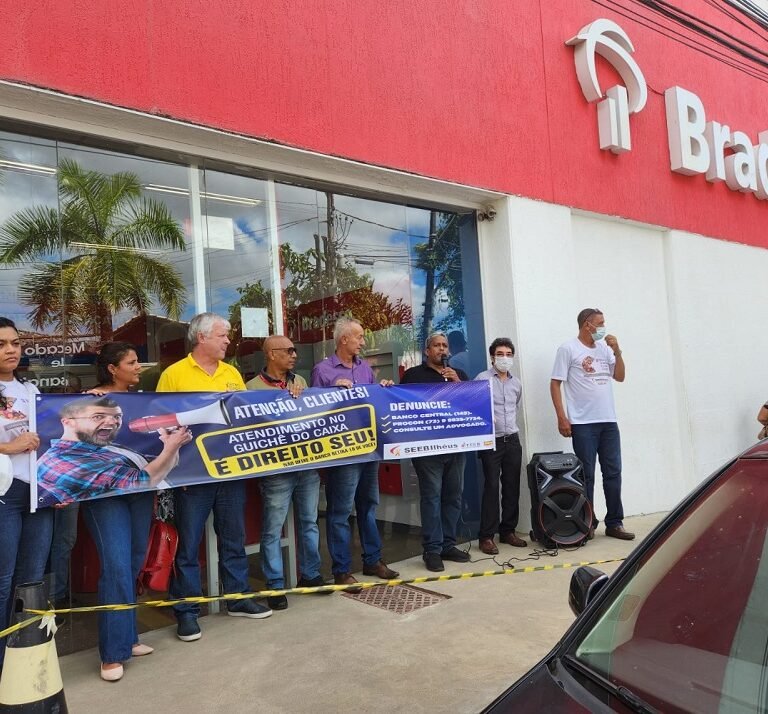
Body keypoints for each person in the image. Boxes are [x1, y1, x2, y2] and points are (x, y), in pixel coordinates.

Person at [157, 312, 272, 642]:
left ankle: (238, 597)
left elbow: (245, 416)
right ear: (202, 337)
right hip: (191, 477)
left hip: (230, 470)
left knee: (233, 538)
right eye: (223, 335)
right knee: (188, 545)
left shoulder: (232, 373)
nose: (228, 341)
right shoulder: (174, 375)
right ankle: (187, 611)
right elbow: (162, 423)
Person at [79, 342, 183, 682]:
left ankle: (128, 637)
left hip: (139, 490)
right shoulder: (88, 401)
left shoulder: (141, 403)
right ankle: (112, 653)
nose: (139, 367)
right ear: (113, 368)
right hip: (104, 495)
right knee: (116, 566)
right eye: (132, 362)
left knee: (135, 560)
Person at [310, 316, 399, 587]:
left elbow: (372, 401)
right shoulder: (323, 370)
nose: (362, 341)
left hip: (368, 449)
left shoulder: (365, 368)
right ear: (343, 339)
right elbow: (312, 411)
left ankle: (373, 560)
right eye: (358, 337)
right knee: (340, 512)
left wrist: (382, 390)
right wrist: (332, 393)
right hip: (342, 453)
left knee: (368, 506)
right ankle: (341, 570)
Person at [246, 335, 325, 609]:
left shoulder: (300, 381)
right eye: (289, 351)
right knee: (272, 528)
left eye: (295, 351)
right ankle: (275, 585)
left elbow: (313, 416)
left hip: (306, 465)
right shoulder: (251, 388)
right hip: (276, 469)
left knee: (310, 522)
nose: (294, 355)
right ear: (271, 354)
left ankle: (311, 575)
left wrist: (304, 398)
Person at [550, 308, 634, 540]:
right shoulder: (568, 349)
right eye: (601, 323)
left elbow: (620, 376)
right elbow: (555, 383)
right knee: (586, 475)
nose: (604, 327)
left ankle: (615, 523)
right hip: (583, 423)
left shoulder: (605, 349)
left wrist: (617, 351)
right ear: (588, 325)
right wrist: (562, 417)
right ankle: (587, 522)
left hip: (608, 421)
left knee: (613, 473)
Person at [0, 317, 51, 675]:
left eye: (15, 343)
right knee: (3, 580)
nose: (11, 350)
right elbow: (15, 445)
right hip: (5, 492)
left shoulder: (31, 390)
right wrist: (8, 446)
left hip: (39, 492)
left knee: (31, 579)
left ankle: (25, 660)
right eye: (1, 344)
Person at [400, 332, 471, 572]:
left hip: (456, 446)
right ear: (427, 351)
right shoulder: (413, 376)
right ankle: (432, 549)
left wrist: (458, 384)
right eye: (437, 345)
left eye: (445, 345)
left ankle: (448, 545)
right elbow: (402, 406)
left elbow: (471, 404)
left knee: (454, 496)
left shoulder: (458, 375)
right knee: (431, 497)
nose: (442, 349)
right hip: (428, 448)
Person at [36, 396, 189, 505]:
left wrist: (172, 444)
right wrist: (171, 447)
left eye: (117, 416)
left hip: (137, 505)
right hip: (111, 509)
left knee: (140, 543)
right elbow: (141, 481)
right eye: (98, 416)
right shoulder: (61, 460)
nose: (112, 422)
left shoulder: (104, 447)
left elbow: (165, 465)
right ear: (68, 422)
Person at [474, 337, 527, 555]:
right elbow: (475, 406)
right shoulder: (482, 379)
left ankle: (508, 531)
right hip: (491, 441)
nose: (504, 358)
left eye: (508, 354)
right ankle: (486, 536)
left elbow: (515, 407)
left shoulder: (516, 383)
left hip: (512, 439)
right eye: (500, 354)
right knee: (491, 487)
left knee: (512, 486)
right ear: (492, 357)